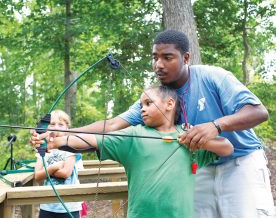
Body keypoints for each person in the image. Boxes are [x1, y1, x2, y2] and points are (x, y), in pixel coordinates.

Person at [31, 29, 274, 217]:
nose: (158, 64)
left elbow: (258, 112)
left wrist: (215, 125)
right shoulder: (156, 99)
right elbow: (113, 125)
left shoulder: (212, 77)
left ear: (186, 57)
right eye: (155, 57)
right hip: (201, 166)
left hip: (240, 162)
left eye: (167, 57)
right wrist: (57, 134)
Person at [34, 85, 234, 218]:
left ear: (170, 104)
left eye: (148, 103)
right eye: (141, 106)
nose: (142, 110)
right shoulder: (133, 135)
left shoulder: (190, 137)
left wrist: (196, 139)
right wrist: (53, 140)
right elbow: (90, 141)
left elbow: (227, 147)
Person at [34, 110, 83, 218]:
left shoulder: (71, 147)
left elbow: (65, 173)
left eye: (60, 124)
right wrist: (54, 167)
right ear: (46, 128)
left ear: (67, 129)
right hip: (47, 206)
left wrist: (46, 171)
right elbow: (37, 176)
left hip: (70, 206)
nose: (56, 127)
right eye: (52, 124)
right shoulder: (42, 148)